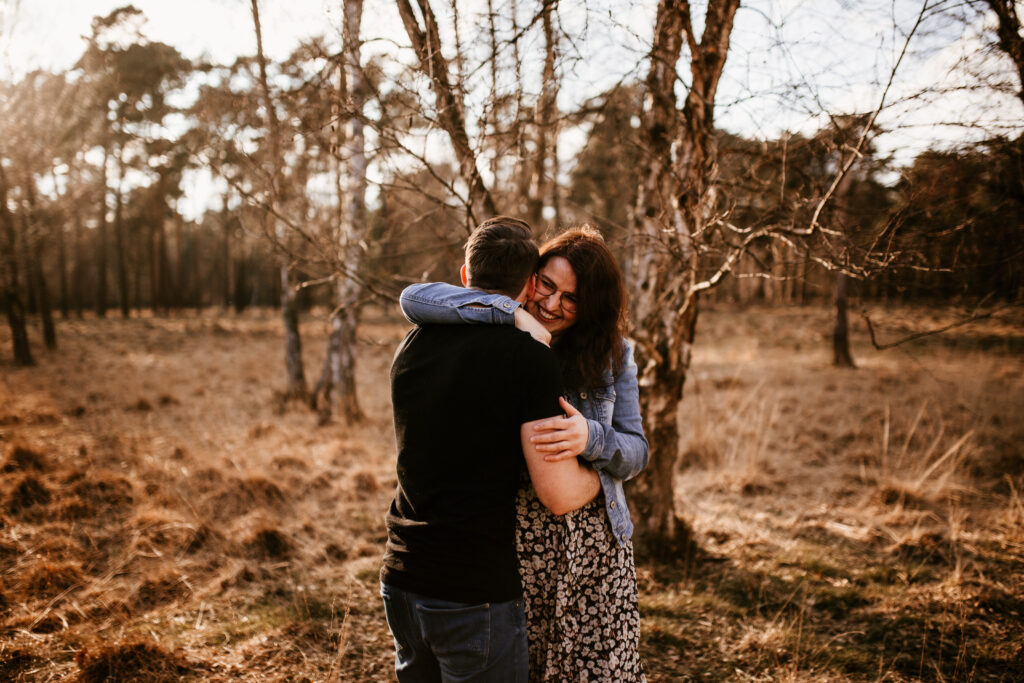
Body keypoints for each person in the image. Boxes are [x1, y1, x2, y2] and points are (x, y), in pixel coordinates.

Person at [400, 225, 649, 682]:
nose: (552, 305)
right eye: (546, 286)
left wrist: (589, 437)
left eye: (572, 298)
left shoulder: (614, 355)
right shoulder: (507, 337)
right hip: (518, 547)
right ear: (529, 280)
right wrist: (511, 315)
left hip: (592, 550)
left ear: (593, 304)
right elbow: (416, 298)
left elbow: (636, 451)